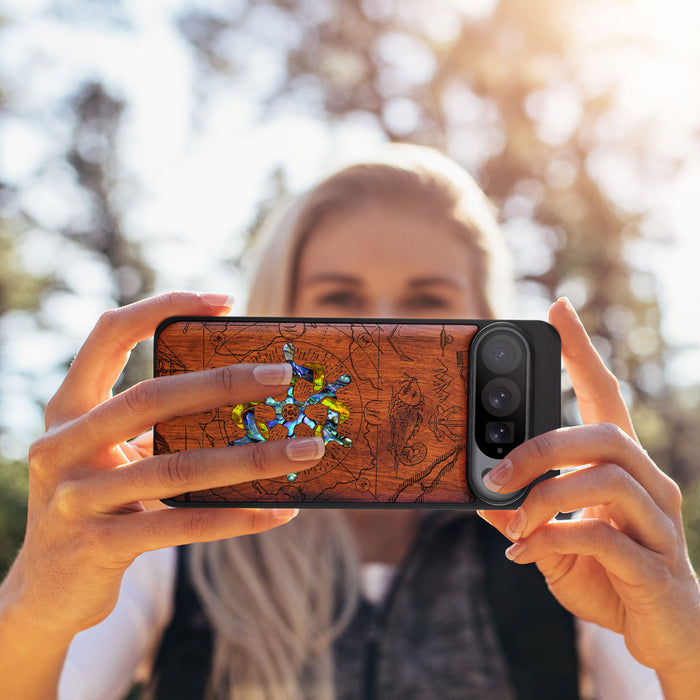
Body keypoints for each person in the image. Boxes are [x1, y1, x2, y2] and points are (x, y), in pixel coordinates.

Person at [0, 145, 698, 700]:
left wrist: (685, 648)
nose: (384, 328)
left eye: (428, 302)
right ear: (278, 313)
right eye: (339, 299)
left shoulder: (566, 542)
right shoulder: (171, 534)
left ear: (487, 324)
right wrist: (34, 607)